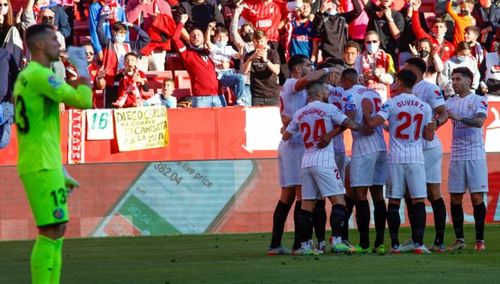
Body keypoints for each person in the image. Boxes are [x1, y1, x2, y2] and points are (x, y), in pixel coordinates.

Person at [13, 24, 92, 284]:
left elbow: (42, 126)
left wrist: (60, 168)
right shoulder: (39, 76)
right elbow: (83, 101)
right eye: (53, 40)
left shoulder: (29, 76)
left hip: (45, 162)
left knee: (57, 229)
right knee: (50, 229)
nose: (59, 44)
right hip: (40, 164)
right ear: (38, 45)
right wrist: (82, 69)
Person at [282, 80, 371, 255]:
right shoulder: (328, 109)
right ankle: (337, 241)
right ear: (319, 93)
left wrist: (289, 128)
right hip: (325, 161)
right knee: (339, 201)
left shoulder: (300, 113)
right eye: (325, 89)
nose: (327, 92)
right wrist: (365, 128)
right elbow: (350, 124)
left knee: (307, 205)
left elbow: (286, 136)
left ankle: (305, 246)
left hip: (306, 162)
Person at [362, 69, 435, 254]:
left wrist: (367, 112)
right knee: (418, 200)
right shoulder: (424, 106)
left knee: (394, 201)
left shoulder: (391, 103)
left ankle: (395, 245)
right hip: (416, 158)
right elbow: (428, 136)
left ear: (400, 83)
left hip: (395, 157)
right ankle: (418, 244)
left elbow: (371, 124)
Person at [268, 55, 333, 255]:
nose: (310, 67)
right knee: (300, 194)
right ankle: (299, 245)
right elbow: (307, 80)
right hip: (295, 145)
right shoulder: (291, 83)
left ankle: (276, 244)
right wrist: (328, 70)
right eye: (307, 65)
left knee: (287, 196)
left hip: (292, 143)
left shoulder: (300, 91)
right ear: (296, 68)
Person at [399, 57, 449, 253]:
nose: (404, 70)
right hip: (415, 147)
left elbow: (443, 112)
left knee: (423, 192)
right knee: (419, 193)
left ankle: (434, 240)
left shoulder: (429, 88)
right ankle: (423, 240)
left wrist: (435, 125)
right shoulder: (406, 89)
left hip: (427, 147)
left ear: (415, 69)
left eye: (406, 67)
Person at [341, 68, 388, 255]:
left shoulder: (349, 94)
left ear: (345, 81)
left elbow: (350, 117)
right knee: (378, 195)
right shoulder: (374, 93)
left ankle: (364, 244)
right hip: (381, 146)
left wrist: (357, 127)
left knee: (360, 195)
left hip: (363, 147)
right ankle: (380, 243)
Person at [445, 67, 489, 252]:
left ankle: (479, 240)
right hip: (456, 154)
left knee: (477, 197)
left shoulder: (479, 99)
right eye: (453, 79)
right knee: (455, 198)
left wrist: (458, 117)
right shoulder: (450, 102)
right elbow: (440, 118)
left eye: (457, 79)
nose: (454, 82)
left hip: (475, 154)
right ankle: (459, 239)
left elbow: (479, 122)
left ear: (468, 81)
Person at [172, 14, 225, 108]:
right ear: (189, 38)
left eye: (198, 35)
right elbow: (175, 39)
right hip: (201, 98)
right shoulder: (186, 53)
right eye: (193, 35)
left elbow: (228, 59)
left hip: (219, 96)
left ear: (203, 38)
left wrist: (228, 63)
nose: (196, 37)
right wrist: (181, 23)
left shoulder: (211, 51)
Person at [206, 25, 251, 106]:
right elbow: (207, 42)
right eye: (219, 36)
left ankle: (238, 102)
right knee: (241, 78)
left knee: (240, 80)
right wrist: (209, 29)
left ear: (227, 38)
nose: (221, 38)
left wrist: (240, 48)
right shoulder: (214, 47)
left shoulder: (229, 48)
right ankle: (241, 99)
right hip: (221, 75)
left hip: (231, 73)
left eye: (223, 36)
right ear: (215, 38)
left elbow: (239, 56)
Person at [241, 30, 281, 106]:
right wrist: (250, 59)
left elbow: (277, 71)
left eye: (262, 41)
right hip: (257, 95)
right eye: (257, 41)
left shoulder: (273, 53)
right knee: (257, 118)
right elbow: (244, 71)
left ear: (266, 40)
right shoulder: (249, 55)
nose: (260, 44)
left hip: (272, 95)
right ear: (253, 41)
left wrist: (266, 60)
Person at [354, 31, 395, 102]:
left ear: (379, 42)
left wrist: (380, 75)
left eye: (374, 41)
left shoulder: (387, 57)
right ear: (365, 43)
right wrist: (364, 77)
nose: (372, 44)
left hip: (383, 97)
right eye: (368, 42)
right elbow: (355, 78)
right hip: (365, 96)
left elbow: (391, 79)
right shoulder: (359, 58)